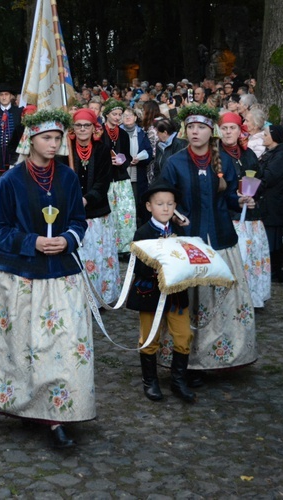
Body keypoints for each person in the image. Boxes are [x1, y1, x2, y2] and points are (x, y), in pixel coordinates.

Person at [0, 109, 92, 449]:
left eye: (57, 138)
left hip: (62, 276)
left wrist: (68, 238)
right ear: (30, 140)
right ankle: (30, 406)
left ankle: (57, 415)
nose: (54, 144)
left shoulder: (68, 178)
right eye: (47, 138)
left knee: (62, 345)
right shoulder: (10, 181)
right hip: (19, 277)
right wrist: (31, 242)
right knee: (23, 348)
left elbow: (80, 220)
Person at [159, 104, 258, 382]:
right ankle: (188, 361)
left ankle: (221, 357)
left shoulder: (224, 161)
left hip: (222, 241)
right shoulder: (175, 162)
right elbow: (162, 199)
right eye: (190, 127)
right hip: (188, 245)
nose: (195, 132)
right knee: (191, 304)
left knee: (222, 304)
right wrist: (174, 215)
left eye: (200, 127)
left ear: (210, 131)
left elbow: (226, 199)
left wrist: (240, 199)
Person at [127, 180, 196, 403]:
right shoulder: (142, 232)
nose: (165, 208)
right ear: (149, 207)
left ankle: (178, 380)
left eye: (169, 204)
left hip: (176, 295)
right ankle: (151, 382)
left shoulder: (178, 231)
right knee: (149, 337)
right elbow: (137, 266)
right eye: (159, 204)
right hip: (150, 295)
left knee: (184, 335)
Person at [67, 108, 120, 304]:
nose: (82, 129)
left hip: (96, 214)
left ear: (93, 127)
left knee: (96, 258)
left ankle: (99, 297)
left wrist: (87, 198)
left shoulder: (102, 149)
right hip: (71, 214)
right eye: (78, 125)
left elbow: (103, 180)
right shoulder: (66, 149)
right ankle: (76, 299)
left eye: (86, 125)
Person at [220, 112, 270, 308]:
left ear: (240, 130)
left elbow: (259, 178)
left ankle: (252, 298)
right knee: (236, 257)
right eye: (224, 128)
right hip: (230, 215)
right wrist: (234, 198)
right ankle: (233, 299)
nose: (228, 132)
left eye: (232, 128)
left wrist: (253, 197)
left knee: (252, 257)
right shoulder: (216, 153)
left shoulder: (248, 153)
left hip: (251, 215)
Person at [257, 124, 283, 281]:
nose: (262, 136)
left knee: (272, 239)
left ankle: (272, 271)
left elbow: (269, 177)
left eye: (265, 134)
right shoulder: (270, 153)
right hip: (266, 202)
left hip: (273, 203)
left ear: (274, 138)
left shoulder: (282, 156)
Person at [101, 99, 135, 255]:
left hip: (121, 178)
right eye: (114, 114)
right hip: (106, 178)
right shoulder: (99, 132)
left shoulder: (122, 134)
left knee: (125, 213)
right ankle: (109, 247)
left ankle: (125, 248)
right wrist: (108, 161)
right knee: (109, 214)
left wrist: (123, 161)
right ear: (107, 114)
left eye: (120, 114)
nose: (117, 117)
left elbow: (127, 156)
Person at [120, 107, 153, 223]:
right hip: (121, 174)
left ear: (135, 118)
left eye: (130, 115)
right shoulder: (117, 133)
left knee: (138, 201)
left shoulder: (142, 134)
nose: (127, 117)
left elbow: (149, 153)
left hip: (138, 174)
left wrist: (140, 160)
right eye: (124, 115)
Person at [151, 118, 187, 183]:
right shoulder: (159, 144)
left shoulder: (179, 143)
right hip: (161, 183)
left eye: (158, 132)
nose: (157, 135)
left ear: (165, 132)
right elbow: (156, 166)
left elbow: (179, 167)